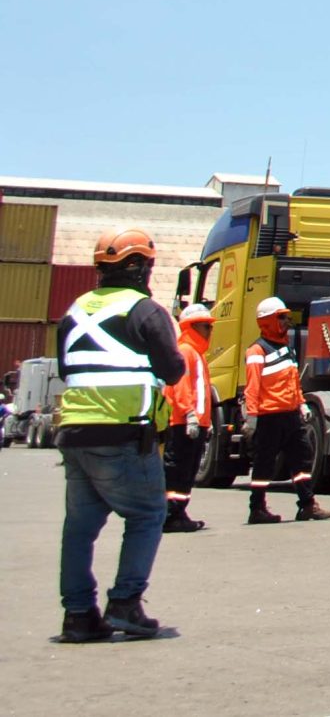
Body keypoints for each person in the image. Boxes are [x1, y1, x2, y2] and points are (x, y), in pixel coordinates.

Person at [54, 227, 186, 644]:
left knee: (79, 527)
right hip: (124, 433)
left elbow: (67, 369)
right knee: (147, 515)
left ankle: (78, 616)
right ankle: (125, 603)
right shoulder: (145, 311)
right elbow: (172, 371)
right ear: (139, 267)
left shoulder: (74, 310)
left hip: (75, 434)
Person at [243, 296, 330, 525]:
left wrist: (301, 404)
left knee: (302, 459)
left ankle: (307, 505)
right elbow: (252, 387)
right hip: (269, 417)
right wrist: (251, 417)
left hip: (291, 415)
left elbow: (293, 382)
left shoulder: (286, 348)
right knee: (264, 464)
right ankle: (257, 509)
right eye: (281, 317)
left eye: (286, 317)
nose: (286, 321)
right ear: (268, 321)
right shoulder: (257, 350)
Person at [160, 304, 215, 534]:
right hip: (183, 423)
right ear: (191, 327)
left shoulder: (197, 354)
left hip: (194, 423)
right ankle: (169, 515)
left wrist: (205, 422)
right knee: (178, 470)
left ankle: (178, 513)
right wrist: (190, 414)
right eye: (206, 326)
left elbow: (201, 392)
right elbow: (181, 387)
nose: (210, 331)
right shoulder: (185, 351)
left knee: (187, 472)